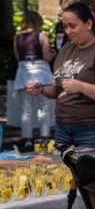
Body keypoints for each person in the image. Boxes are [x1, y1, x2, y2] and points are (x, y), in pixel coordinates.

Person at [27, 2, 95, 151]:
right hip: (63, 128)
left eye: (73, 26)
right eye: (65, 27)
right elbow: (57, 90)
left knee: (93, 174)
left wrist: (81, 86)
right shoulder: (65, 50)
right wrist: (41, 89)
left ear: (89, 23)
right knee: (64, 174)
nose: (68, 31)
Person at [13, 11, 54, 149]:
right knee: (44, 108)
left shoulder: (17, 38)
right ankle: (44, 138)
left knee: (26, 110)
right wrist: (54, 53)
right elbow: (47, 58)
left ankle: (27, 139)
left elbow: (18, 58)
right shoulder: (42, 36)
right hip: (41, 72)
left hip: (24, 73)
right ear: (38, 22)